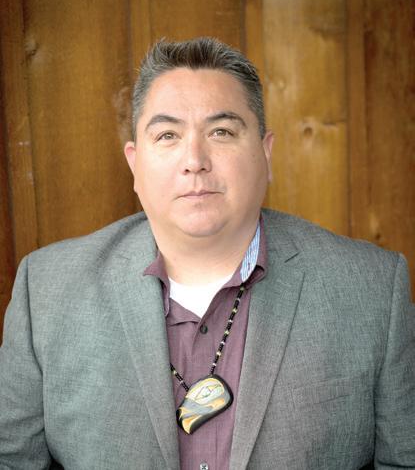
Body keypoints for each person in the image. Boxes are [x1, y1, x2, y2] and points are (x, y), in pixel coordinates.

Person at [0, 37, 414, 470]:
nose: (194, 160)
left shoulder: (371, 290)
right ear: (135, 165)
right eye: (168, 135)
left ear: (265, 154)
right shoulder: (46, 292)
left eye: (221, 132)